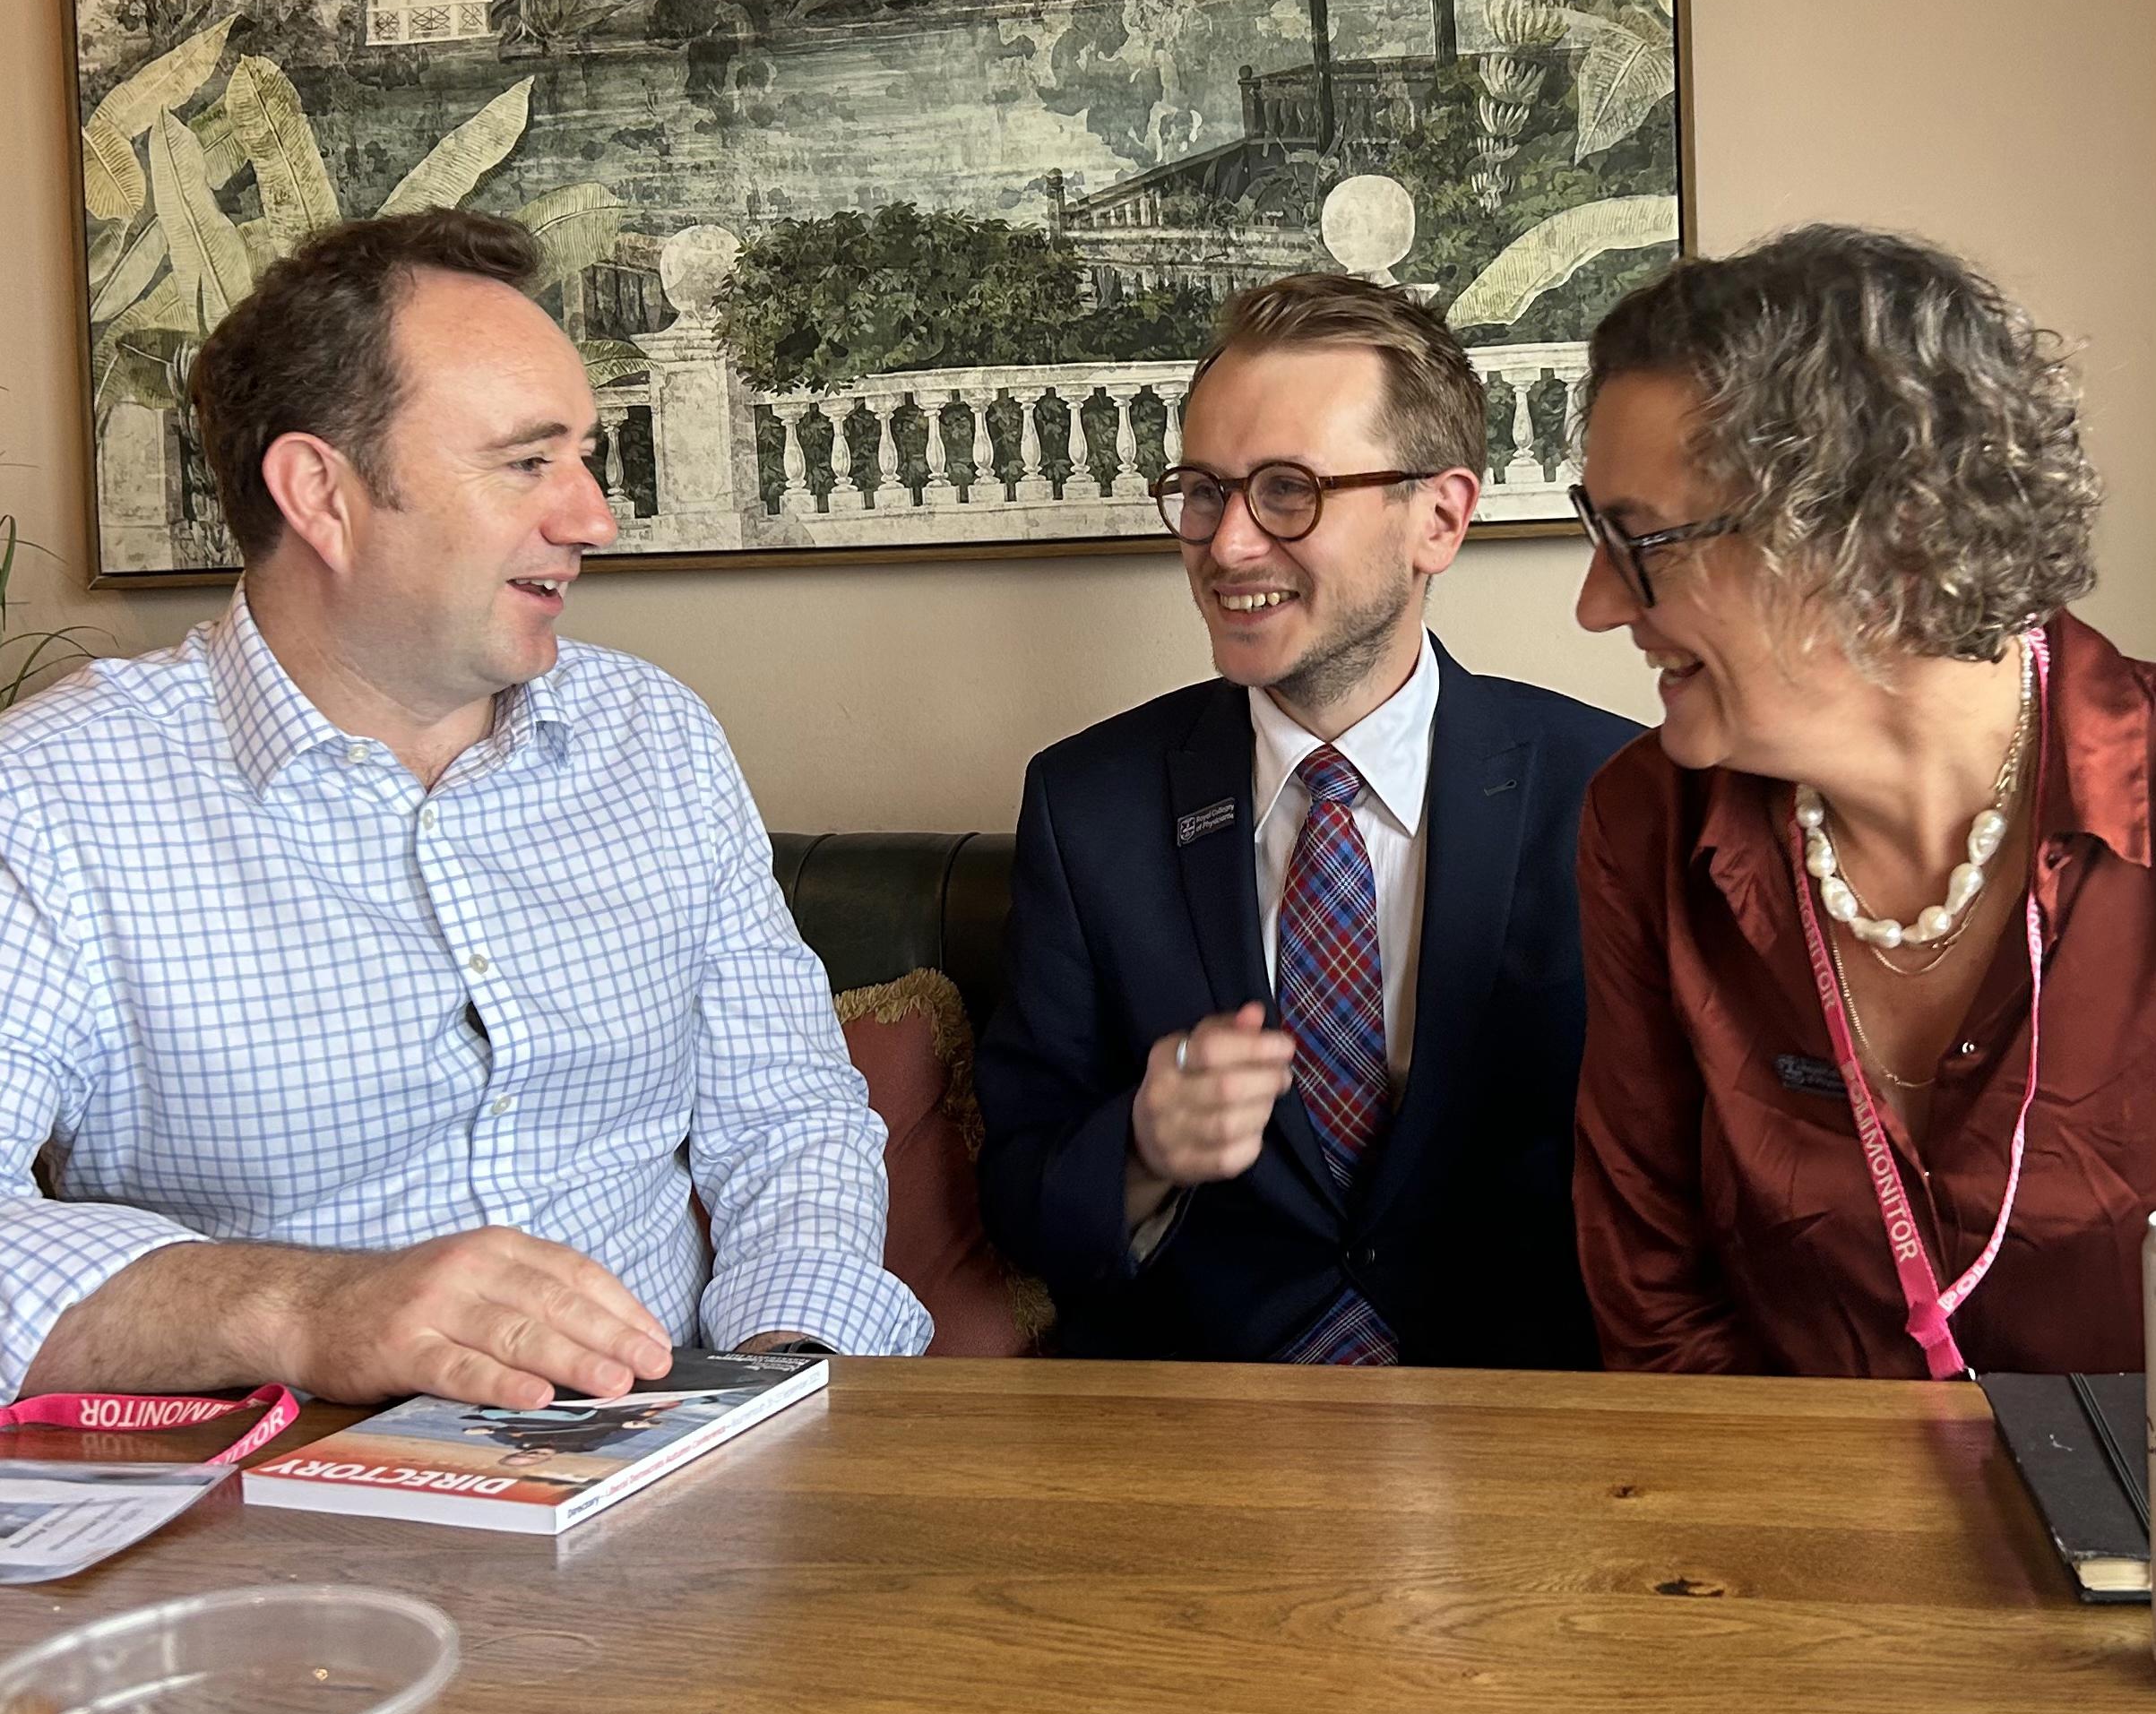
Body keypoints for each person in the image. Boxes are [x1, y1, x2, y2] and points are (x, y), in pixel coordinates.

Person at [0, 209, 929, 1412]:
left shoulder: (654, 739)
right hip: (286, 1490)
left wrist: (781, 1369)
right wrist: (308, 1310)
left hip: (682, 1450)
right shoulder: (51, 798)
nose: (593, 518)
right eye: (528, 462)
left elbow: (789, 1114)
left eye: (584, 455)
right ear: (321, 494)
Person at [974, 273, 1636, 1366]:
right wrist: (1142, 1149)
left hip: (1524, 1420)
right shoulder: (1087, 806)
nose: (1228, 544)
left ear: (1439, 518)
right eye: (1204, 491)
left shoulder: (1614, 793)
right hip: (1198, 1422)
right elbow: (1018, 1192)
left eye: (1288, 491)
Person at [1569, 224, 2153, 1377]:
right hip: (1783, 1491)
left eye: (1641, 544)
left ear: (1883, 543)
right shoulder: (1649, 825)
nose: (1596, 606)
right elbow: (1656, 1305)